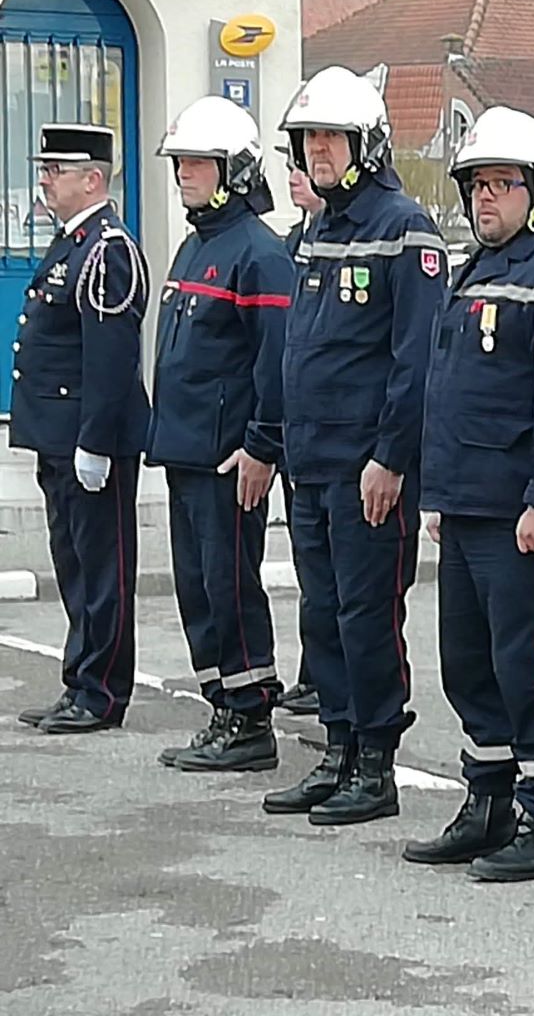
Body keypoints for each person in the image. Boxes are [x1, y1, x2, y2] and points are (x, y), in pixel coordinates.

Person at [401, 107, 534, 882]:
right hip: (470, 504)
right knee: (470, 663)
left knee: (531, 665)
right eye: (477, 185)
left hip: (524, 513)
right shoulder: (476, 270)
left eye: (502, 185)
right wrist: (442, 495)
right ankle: (486, 800)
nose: (486, 199)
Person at [260, 66, 445, 825]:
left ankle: (376, 759)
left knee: (370, 615)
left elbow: (417, 358)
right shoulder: (316, 231)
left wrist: (391, 458)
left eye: (331, 138)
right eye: (308, 140)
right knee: (324, 611)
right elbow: (299, 350)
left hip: (369, 467)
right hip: (310, 462)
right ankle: (336, 747)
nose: (318, 153)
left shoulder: (405, 228)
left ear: (365, 142)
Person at [147, 96, 292, 772]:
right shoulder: (197, 244)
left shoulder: (257, 254)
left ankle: (250, 715)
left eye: (197, 163)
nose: (184, 175)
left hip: (229, 457)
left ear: (234, 169)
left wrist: (263, 444)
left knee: (230, 583)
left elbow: (275, 360)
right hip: (184, 450)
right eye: (180, 163)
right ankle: (221, 704)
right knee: (197, 586)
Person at [10, 124, 150, 735]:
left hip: (89, 441)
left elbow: (111, 360)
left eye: (56, 170)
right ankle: (80, 680)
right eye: (44, 169)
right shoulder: (72, 243)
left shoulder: (107, 249)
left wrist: (95, 441)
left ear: (93, 179)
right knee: (72, 562)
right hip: (57, 436)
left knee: (102, 568)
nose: (45, 180)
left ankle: (102, 691)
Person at [275, 150, 326, 719]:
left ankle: (320, 675)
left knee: (336, 580)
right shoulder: (292, 242)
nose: (295, 174)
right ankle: (313, 672)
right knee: (309, 566)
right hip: (300, 435)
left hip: (337, 443)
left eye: (302, 165)